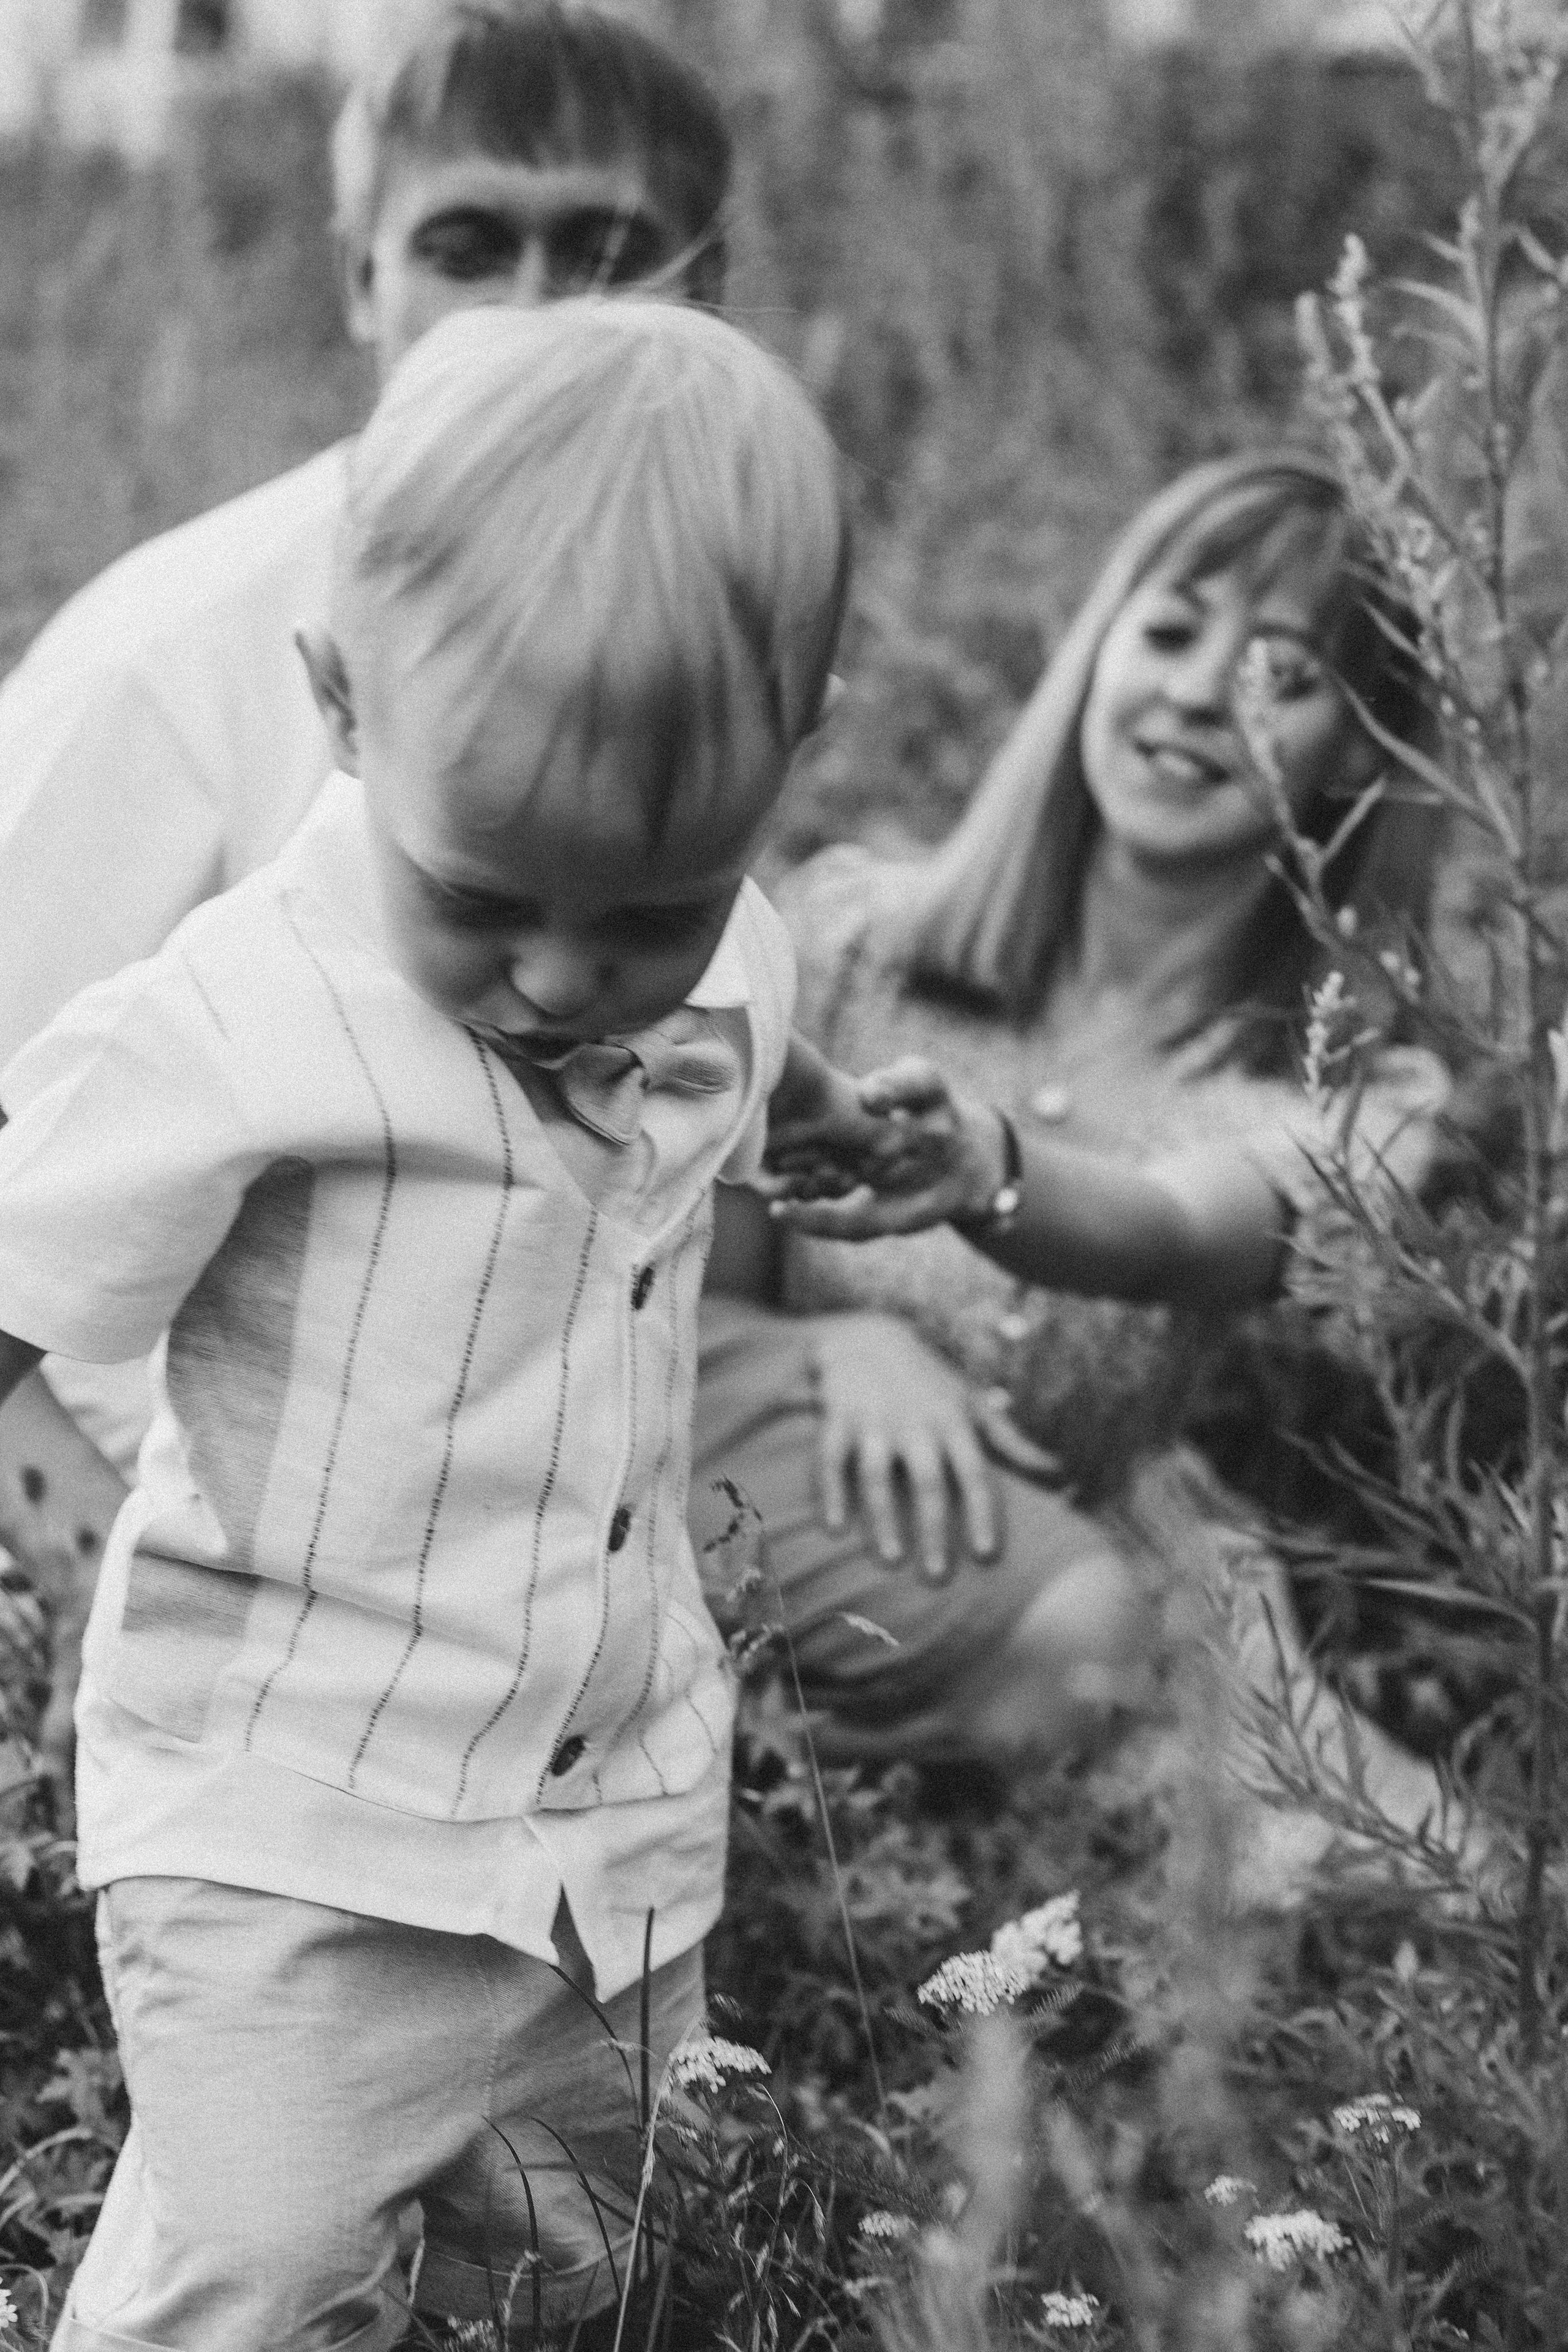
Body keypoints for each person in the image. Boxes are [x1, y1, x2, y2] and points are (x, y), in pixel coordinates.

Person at [0, 296, 871, 2352]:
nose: (566, 977)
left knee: (577, 2276)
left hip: (610, 1816)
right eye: (482, 901)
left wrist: (833, 1124)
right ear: (339, 703)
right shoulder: (235, 1018)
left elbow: (750, 1019)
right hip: (288, 1814)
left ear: (791, 761)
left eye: (646, 913)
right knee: (262, 2266)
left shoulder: (725, 946)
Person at [0, 0, 736, 1781]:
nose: (535, 310)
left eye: (607, 249)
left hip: (570, 1511)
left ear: (708, 291)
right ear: (359, 279)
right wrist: (106, 1612)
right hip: (231, 1581)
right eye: (471, 244)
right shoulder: (167, 662)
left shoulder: (695, 624)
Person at [692, 448, 1461, 1880]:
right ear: (1098, 652)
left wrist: (982, 1166)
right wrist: (840, 1348)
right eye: (1167, 632)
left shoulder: (1343, 1095)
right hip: (753, 1480)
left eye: (1280, 674)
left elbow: (1172, 1231)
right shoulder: (852, 938)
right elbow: (691, 1300)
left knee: (1414, 1873)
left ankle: (856, 1798)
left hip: (1059, 1567)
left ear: (1359, 750)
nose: (1198, 693)